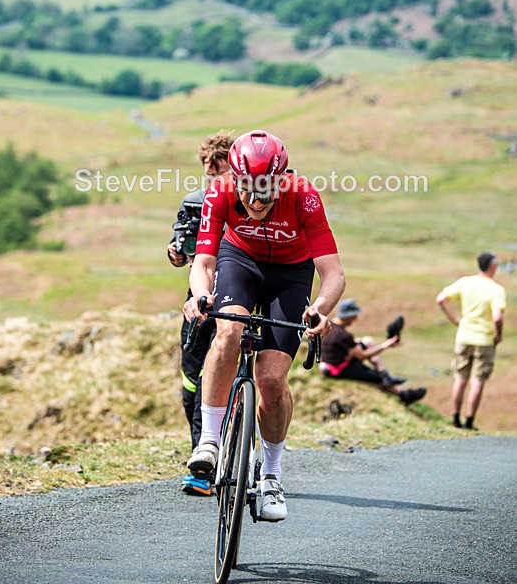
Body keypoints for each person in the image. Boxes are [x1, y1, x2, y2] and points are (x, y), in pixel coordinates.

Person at [183, 129, 345, 522]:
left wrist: (321, 309)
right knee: (229, 331)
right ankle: (209, 443)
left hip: (291, 274)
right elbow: (203, 263)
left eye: (267, 189)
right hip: (240, 261)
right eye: (248, 189)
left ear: (281, 180)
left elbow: (334, 273)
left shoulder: (303, 195)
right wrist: (201, 295)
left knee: (271, 380)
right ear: (233, 179)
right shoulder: (219, 192)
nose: (256, 201)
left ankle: (271, 474)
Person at [167, 130, 234, 496]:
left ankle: (207, 467)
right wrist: (175, 254)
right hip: (198, 300)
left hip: (238, 299)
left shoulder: (247, 202)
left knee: (221, 377)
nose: (210, 169)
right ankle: (204, 454)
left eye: (217, 161)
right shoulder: (193, 201)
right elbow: (180, 246)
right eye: (205, 162)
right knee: (191, 383)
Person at [436, 251, 506, 430]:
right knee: (477, 381)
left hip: (464, 336)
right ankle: (469, 421)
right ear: (492, 266)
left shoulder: (465, 282)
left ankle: (455, 418)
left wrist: (454, 320)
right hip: (484, 340)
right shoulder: (496, 289)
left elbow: (441, 299)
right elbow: (497, 318)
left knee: (460, 378)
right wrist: (498, 334)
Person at [319, 299, 427, 406]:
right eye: (355, 316)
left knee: (368, 341)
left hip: (334, 359)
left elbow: (343, 343)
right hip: (339, 369)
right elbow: (362, 356)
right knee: (377, 377)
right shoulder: (343, 335)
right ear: (349, 316)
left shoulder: (330, 326)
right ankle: (403, 393)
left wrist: (358, 343)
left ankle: (386, 376)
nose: (356, 319)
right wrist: (386, 345)